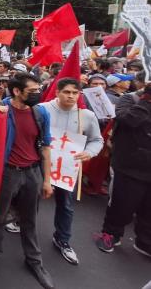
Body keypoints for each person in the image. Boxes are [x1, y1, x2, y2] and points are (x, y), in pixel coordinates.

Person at [0, 73, 55, 289]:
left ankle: (35, 262)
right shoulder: (1, 110)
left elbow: (46, 147)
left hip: (32, 174)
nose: (37, 94)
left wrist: (47, 180)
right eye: (32, 91)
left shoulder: (41, 113)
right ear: (16, 91)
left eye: (38, 89)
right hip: (7, 173)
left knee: (29, 219)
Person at [40, 78, 103, 265]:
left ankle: (62, 239)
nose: (71, 96)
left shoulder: (87, 116)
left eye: (75, 93)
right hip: (40, 164)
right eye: (67, 92)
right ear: (57, 92)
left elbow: (97, 140)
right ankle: (20, 222)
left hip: (67, 169)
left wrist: (90, 152)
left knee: (66, 205)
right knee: (30, 198)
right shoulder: (42, 109)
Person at [94, 82, 151, 257]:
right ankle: (111, 234)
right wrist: (147, 101)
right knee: (122, 205)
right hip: (130, 166)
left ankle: (145, 242)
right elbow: (128, 120)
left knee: (148, 211)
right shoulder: (131, 99)